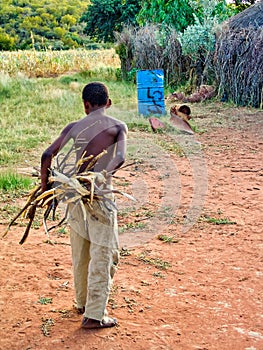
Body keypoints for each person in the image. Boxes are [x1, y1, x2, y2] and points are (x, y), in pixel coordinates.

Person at [40, 82, 128, 329]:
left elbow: (47, 155)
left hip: (74, 193)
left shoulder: (74, 127)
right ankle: (94, 315)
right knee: (104, 253)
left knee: (81, 250)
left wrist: (46, 186)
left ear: (85, 105)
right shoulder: (118, 127)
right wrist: (99, 177)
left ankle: (82, 302)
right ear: (108, 103)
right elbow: (120, 157)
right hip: (99, 196)